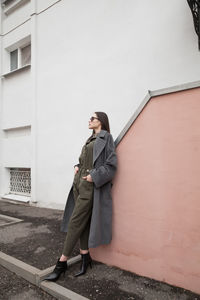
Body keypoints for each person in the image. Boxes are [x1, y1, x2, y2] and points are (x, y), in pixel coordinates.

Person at [44, 112, 117, 281]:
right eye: (90, 118)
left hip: (90, 186)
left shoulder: (107, 138)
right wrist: (77, 165)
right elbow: (85, 160)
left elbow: (111, 166)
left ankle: (61, 264)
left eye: (93, 118)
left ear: (101, 122)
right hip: (79, 184)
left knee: (75, 222)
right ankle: (85, 257)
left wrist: (94, 176)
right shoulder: (90, 139)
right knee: (82, 223)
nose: (89, 120)